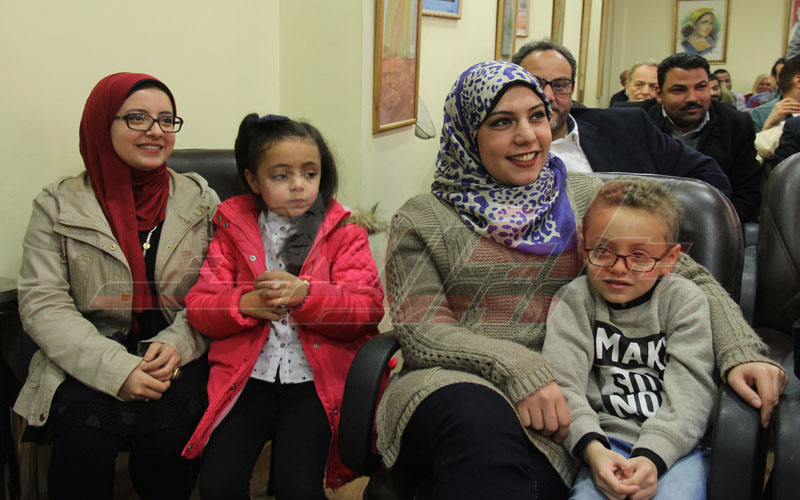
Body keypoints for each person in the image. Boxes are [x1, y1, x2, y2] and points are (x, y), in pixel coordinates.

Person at [375, 60, 786, 500]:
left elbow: (688, 276)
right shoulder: (423, 218)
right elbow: (422, 330)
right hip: (454, 384)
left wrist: (739, 352)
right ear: (467, 133)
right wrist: (518, 367)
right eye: (501, 122)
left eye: (537, 116)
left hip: (563, 399)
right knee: (477, 428)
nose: (527, 136)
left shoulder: (586, 197)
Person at [14, 73, 218, 499]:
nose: (156, 131)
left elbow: (216, 291)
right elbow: (43, 304)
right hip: (86, 353)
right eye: (137, 118)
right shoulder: (57, 204)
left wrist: (178, 344)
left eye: (166, 120)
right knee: (83, 447)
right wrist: (116, 369)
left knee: (169, 446)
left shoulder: (201, 200)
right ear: (101, 124)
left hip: (174, 352)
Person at [181, 114, 384, 499]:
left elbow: (367, 308)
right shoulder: (232, 228)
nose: (298, 185)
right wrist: (243, 304)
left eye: (310, 173)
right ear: (253, 180)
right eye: (280, 175)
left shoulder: (344, 231)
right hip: (247, 376)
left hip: (313, 380)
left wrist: (307, 297)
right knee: (218, 486)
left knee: (299, 489)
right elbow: (200, 306)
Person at [543, 179, 715, 500]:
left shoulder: (684, 301)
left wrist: (652, 456)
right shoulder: (574, 300)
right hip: (601, 447)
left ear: (670, 258)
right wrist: (595, 451)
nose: (619, 268)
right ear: (583, 246)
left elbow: (692, 394)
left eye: (639, 255)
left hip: (678, 451)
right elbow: (563, 387)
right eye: (603, 251)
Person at [510, 40, 731, 195]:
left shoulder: (627, 127)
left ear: (572, 90)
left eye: (560, 85)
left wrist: (658, 221)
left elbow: (708, 176)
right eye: (536, 83)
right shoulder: (498, 145)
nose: (548, 96)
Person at [623, 53, 762, 222]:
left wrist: (717, 225)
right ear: (659, 94)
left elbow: (747, 192)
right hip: (644, 222)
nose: (692, 98)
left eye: (701, 87)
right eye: (679, 90)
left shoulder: (735, 123)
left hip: (713, 222)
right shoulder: (633, 121)